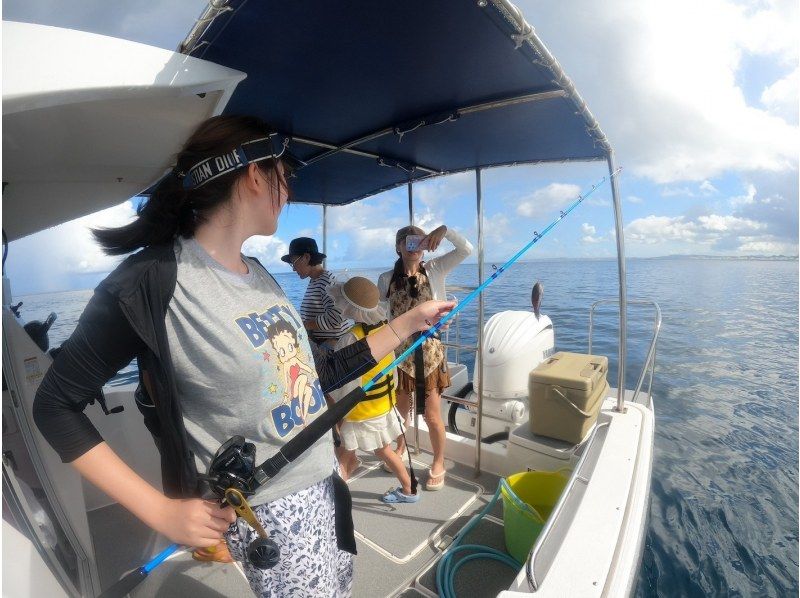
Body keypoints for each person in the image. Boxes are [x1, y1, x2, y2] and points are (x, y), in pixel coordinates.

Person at [32, 115, 454, 598]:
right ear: (255, 174)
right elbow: (54, 405)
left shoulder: (259, 274)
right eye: (285, 177)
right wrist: (160, 510)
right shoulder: (151, 279)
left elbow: (310, 378)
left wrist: (404, 325)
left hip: (324, 480)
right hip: (271, 511)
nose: (288, 191)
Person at [377, 224, 472, 491]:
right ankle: (399, 446)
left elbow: (466, 249)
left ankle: (439, 461)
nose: (415, 248)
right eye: (408, 242)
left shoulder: (435, 269)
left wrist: (445, 231)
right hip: (400, 354)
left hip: (429, 352)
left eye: (420, 242)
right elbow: (382, 315)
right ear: (398, 246)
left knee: (432, 415)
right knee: (399, 411)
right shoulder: (386, 279)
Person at [327, 277, 417, 504]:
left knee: (371, 451)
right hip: (383, 405)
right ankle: (405, 487)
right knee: (373, 450)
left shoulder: (351, 338)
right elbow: (393, 374)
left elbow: (340, 381)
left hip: (362, 412)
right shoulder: (386, 331)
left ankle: (408, 489)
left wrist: (334, 407)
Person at [281, 237, 350, 368]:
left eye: (293, 262)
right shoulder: (316, 280)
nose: (293, 269)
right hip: (323, 344)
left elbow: (336, 317)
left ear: (306, 257)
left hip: (332, 349)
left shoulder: (328, 282)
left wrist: (302, 326)